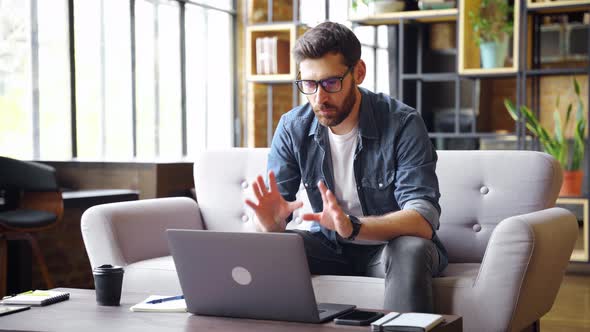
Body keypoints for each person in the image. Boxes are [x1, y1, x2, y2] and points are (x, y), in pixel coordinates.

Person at [244, 21, 447, 313]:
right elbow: (276, 218)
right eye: (309, 84)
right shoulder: (292, 127)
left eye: (330, 83)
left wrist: (352, 227)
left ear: (359, 73)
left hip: (389, 249)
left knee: (412, 249)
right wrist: (268, 225)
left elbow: (423, 220)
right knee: (271, 249)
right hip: (328, 246)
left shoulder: (403, 123)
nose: (319, 97)